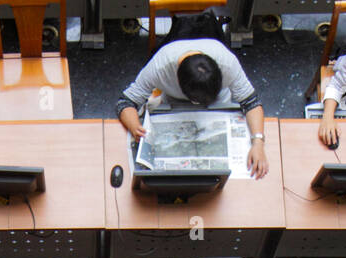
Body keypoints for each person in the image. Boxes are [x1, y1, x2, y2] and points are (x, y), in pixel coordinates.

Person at [116, 38, 270, 179]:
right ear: (178, 80)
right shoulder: (160, 66)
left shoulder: (227, 63)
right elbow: (125, 102)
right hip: (173, 107)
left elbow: (251, 103)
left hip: (218, 106)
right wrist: (134, 126)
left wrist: (258, 143)